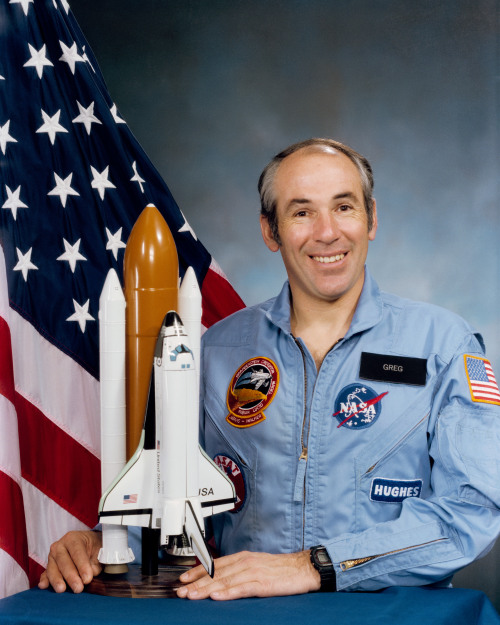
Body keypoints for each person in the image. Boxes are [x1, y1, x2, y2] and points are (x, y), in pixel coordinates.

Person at [39, 138, 500, 600]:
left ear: (371, 219)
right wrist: (103, 543)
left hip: (386, 618)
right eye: (302, 212)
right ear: (270, 230)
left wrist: (318, 566)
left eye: (344, 207)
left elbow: (473, 513)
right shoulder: (217, 351)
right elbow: (168, 498)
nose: (327, 232)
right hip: (246, 616)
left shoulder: (442, 346)